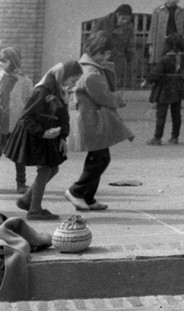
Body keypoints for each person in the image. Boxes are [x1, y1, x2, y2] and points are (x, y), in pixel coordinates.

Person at [65, 31, 134, 211]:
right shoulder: (92, 73)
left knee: (98, 157)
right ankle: (77, 191)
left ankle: (88, 197)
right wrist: (119, 98)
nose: (106, 56)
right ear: (93, 50)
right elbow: (105, 97)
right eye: (102, 53)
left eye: (108, 53)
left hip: (89, 119)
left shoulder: (88, 68)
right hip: (91, 121)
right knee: (100, 158)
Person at [5, 61, 80, 220]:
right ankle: (34, 210)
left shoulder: (58, 90)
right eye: (72, 80)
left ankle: (27, 201)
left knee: (53, 168)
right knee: (46, 169)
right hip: (36, 136)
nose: (72, 85)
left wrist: (62, 138)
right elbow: (26, 118)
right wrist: (43, 133)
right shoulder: (42, 90)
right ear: (63, 76)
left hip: (49, 135)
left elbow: (63, 117)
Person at [146, 33, 184, 145]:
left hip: (165, 87)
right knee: (176, 113)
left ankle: (157, 138)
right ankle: (175, 137)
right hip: (178, 86)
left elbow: (155, 74)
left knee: (161, 113)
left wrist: (148, 80)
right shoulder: (183, 58)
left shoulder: (164, 59)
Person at [0, 47, 34, 194]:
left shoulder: (24, 80)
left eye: (4, 60)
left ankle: (21, 183)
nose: (1, 63)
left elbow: (29, 100)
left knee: (19, 155)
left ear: (14, 61)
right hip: (1, 122)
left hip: (16, 123)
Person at [91, 3, 137, 89]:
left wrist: (132, 65)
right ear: (117, 15)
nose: (125, 21)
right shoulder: (103, 22)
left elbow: (130, 47)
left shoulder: (129, 28)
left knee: (113, 86)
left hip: (117, 61)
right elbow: (92, 41)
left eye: (127, 19)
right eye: (123, 18)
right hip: (101, 58)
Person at [148, 0, 184, 70]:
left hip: (176, 41)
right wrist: (150, 45)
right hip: (161, 42)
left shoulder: (182, 12)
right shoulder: (158, 11)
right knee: (160, 63)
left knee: (176, 63)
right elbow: (152, 28)